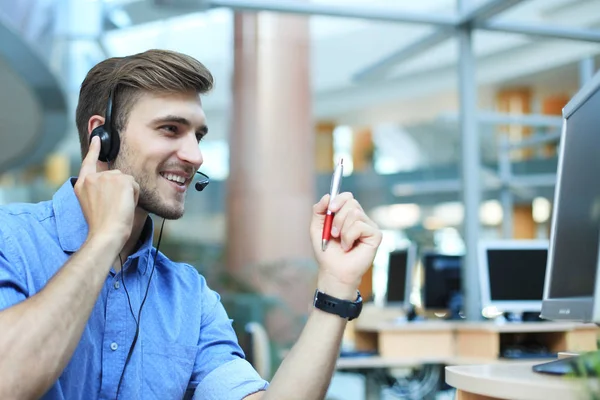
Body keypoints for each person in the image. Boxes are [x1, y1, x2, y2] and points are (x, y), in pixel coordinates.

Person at [0, 49, 382, 400]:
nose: (195, 155)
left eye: (198, 135)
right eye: (170, 129)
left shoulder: (188, 297)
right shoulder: (11, 240)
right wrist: (103, 240)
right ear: (103, 137)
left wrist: (337, 285)